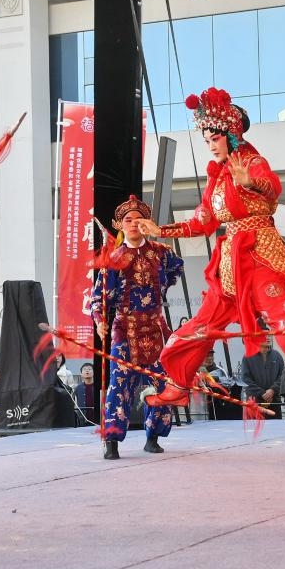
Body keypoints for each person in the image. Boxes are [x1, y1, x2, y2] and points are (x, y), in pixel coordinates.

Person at [137, 87, 285, 409]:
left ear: (231, 134)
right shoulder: (217, 177)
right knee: (201, 326)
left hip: (260, 253)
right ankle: (178, 384)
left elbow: (273, 191)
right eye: (207, 141)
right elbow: (204, 221)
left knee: (280, 312)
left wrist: (251, 183)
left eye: (214, 139)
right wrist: (161, 230)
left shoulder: (251, 161)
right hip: (229, 264)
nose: (210, 146)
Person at [91, 195, 183, 458]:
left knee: (163, 384)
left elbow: (177, 268)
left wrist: (162, 287)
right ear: (119, 225)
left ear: (147, 224)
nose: (133, 224)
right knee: (119, 385)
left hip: (155, 327)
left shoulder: (162, 253)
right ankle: (112, 442)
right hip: (124, 328)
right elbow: (99, 297)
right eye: (127, 220)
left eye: (138, 219)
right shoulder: (114, 258)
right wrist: (100, 322)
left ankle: (153, 436)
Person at [241, 339, 285, 420]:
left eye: (269, 335)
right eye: (264, 336)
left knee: (276, 428)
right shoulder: (247, 356)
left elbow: (283, 376)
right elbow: (245, 379)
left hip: (274, 400)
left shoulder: (277, 355)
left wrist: (272, 390)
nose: (268, 338)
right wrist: (262, 393)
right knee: (256, 429)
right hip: (255, 401)